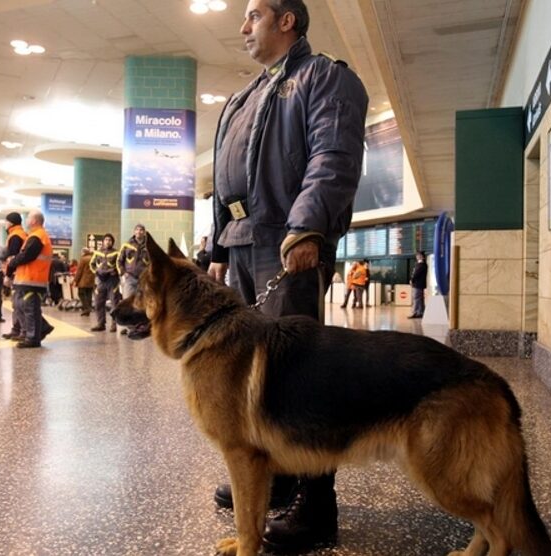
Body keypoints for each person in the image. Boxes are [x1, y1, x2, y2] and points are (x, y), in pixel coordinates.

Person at [207, 0, 368, 552]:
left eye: (253, 14)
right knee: (254, 377)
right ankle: (276, 479)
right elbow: (221, 185)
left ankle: (317, 506)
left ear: (287, 20)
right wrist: (214, 251)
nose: (243, 25)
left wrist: (306, 229)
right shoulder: (244, 96)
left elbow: (333, 156)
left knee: (297, 380)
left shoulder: (324, 78)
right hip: (241, 245)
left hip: (284, 243)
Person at [6, 210, 54, 348]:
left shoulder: (38, 236)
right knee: (23, 307)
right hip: (28, 278)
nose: (25, 220)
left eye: (27, 218)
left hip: (33, 279)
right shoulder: (34, 236)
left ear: (34, 221)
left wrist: (12, 262)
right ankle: (40, 329)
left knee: (30, 309)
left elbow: (27, 255)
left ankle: (33, 338)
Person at [117, 224, 150, 338]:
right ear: (134, 231)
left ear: (144, 232)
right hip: (130, 277)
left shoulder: (149, 245)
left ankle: (142, 326)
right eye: (137, 230)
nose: (139, 232)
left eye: (141, 230)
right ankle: (129, 327)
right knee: (127, 301)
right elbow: (119, 261)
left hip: (144, 279)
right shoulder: (127, 245)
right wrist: (123, 273)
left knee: (144, 302)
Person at [1, 212, 29, 340]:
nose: (4, 224)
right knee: (17, 303)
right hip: (21, 273)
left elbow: (13, 258)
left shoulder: (15, 236)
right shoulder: (21, 234)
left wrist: (7, 275)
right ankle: (17, 329)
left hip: (17, 274)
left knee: (18, 304)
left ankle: (21, 330)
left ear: (11, 223)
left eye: (6, 221)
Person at [90, 233, 120, 332]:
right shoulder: (97, 253)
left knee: (114, 303)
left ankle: (114, 324)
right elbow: (92, 264)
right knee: (98, 303)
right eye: (106, 240)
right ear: (103, 241)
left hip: (112, 281)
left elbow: (120, 265)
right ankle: (100, 323)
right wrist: (97, 272)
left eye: (110, 240)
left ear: (112, 242)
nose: (108, 241)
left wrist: (115, 272)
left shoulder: (116, 253)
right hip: (100, 280)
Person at [73, 248, 95, 316]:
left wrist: (75, 280)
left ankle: (86, 308)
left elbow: (79, 271)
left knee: (81, 294)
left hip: (83, 280)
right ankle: (88, 309)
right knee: (89, 294)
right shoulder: (92, 258)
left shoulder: (83, 259)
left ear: (83, 252)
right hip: (91, 280)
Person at [408, 250, 428, 319]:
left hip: (418, 285)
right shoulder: (421, 264)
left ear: (421, 256)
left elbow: (416, 274)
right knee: (420, 299)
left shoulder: (421, 265)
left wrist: (412, 280)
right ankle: (421, 312)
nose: (417, 256)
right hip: (419, 285)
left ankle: (415, 312)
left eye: (418, 255)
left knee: (416, 298)